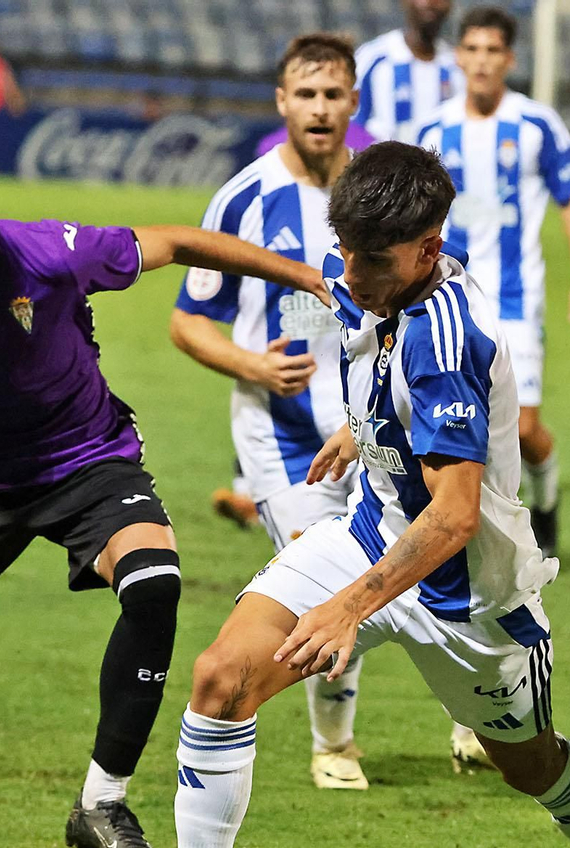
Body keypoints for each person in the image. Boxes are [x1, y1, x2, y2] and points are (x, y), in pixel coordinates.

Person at [84, 143, 570, 848]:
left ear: (428, 249)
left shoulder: (450, 339)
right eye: (343, 249)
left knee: (528, 762)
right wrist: (373, 427)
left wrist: (347, 607)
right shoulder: (363, 272)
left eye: (371, 259)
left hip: (471, 593)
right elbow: (373, 355)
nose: (349, 273)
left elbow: (454, 516)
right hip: (373, 529)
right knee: (220, 677)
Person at [0, 132, 327, 848]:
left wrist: (308, 276)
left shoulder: (48, 253)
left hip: (87, 457)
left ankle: (102, 803)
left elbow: (179, 242)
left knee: (154, 583)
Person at [169, 34, 375, 791]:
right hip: (281, 437)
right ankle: (336, 743)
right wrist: (252, 364)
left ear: (353, 101)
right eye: (305, 95)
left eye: (333, 95)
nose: (320, 109)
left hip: (374, 428)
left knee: (411, 576)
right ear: (281, 102)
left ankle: (468, 709)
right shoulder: (246, 197)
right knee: (326, 589)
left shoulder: (378, 191)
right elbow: (187, 321)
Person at [415, 6, 570, 767]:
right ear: (459, 57)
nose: (483, 61)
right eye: (474, 49)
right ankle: (496, 541)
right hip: (456, 300)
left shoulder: (539, 126)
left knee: (522, 431)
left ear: (509, 60)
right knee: (477, 455)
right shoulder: (434, 132)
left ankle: (544, 493)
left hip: (518, 303)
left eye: (495, 50)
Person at [353, 0, 462, 144]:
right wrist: (373, 159)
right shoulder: (373, 57)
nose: (430, 3)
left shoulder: (456, 65)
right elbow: (348, 126)